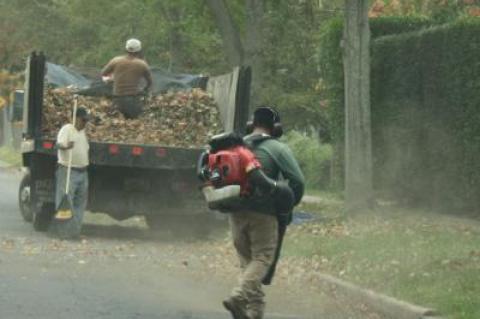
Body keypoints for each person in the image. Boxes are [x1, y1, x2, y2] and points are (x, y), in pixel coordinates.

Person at [223, 106, 305, 319]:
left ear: (251, 124)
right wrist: (288, 204)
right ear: (276, 128)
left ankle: (255, 310)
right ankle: (239, 297)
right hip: (264, 214)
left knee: (248, 261)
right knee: (262, 258)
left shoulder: (235, 146)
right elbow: (298, 181)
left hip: (235, 212)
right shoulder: (277, 148)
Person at [49, 107, 90, 239]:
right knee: (66, 203)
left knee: (80, 204)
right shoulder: (67, 129)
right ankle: (63, 232)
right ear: (76, 118)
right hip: (68, 170)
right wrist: (67, 146)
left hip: (82, 171)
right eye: (83, 120)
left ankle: (74, 232)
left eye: (86, 121)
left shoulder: (83, 132)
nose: (85, 123)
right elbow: (58, 145)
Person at [102, 38, 153, 119]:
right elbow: (150, 82)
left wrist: (113, 79)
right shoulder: (142, 64)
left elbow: (103, 73)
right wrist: (144, 89)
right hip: (133, 101)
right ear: (139, 51)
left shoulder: (116, 60)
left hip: (117, 100)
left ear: (126, 49)